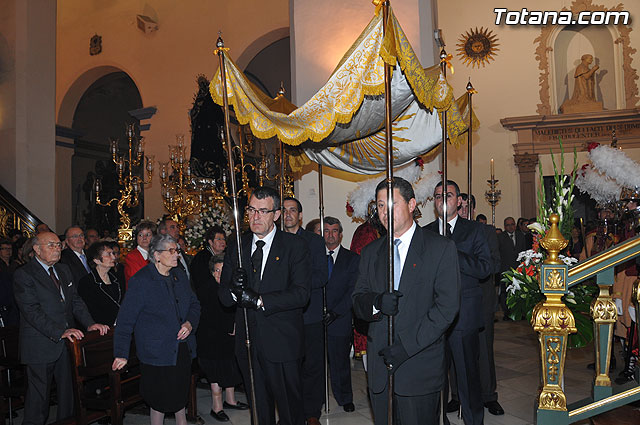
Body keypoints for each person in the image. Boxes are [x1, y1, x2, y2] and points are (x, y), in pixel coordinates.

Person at [353, 177, 461, 425]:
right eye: (379, 205)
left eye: (391, 203)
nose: (384, 212)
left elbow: (447, 308)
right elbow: (358, 301)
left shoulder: (440, 248)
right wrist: (377, 302)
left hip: (419, 366)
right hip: (380, 370)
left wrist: (406, 347)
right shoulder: (371, 252)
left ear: (412, 204)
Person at [219, 186, 311, 425]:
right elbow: (223, 298)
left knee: (290, 410)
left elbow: (301, 294)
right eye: (251, 210)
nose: (255, 217)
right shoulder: (237, 246)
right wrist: (232, 288)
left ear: (276, 215)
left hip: (282, 342)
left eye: (263, 211)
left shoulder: (294, 246)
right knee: (259, 410)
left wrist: (260, 301)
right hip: (248, 344)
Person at [13, 231, 109, 425]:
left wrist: (90, 323)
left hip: (67, 344)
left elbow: (75, 301)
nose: (57, 249)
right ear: (37, 249)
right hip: (40, 344)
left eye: (58, 245)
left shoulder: (63, 270)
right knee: (38, 402)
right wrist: (60, 331)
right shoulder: (24, 274)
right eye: (51, 245)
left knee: (68, 397)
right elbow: (31, 311)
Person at [113, 234, 201, 425]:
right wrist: (121, 353)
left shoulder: (179, 276)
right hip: (156, 353)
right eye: (171, 251)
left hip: (181, 349)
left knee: (179, 396)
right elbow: (126, 320)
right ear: (157, 255)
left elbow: (195, 304)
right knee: (158, 400)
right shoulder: (142, 281)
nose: (176, 254)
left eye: (177, 250)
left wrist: (189, 323)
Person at [425, 180, 492, 425]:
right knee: (435, 375)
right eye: (438, 196)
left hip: (465, 314)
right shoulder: (426, 232)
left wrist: (452, 250)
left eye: (449, 195)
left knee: (467, 375)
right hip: (433, 316)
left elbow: (485, 268)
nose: (443, 200)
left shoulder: (475, 231)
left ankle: (474, 420)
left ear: (459, 201)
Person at [453, 194, 504, 416]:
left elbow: (493, 265)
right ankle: (457, 395)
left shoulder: (484, 232)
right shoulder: (449, 232)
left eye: (466, 207)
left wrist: (466, 260)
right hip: (456, 299)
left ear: (472, 209)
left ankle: (488, 395)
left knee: (483, 351)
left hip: (481, 299)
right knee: (455, 351)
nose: (462, 211)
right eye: (460, 206)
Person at [282, 196, 328, 425]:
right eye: (284, 210)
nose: (288, 214)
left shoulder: (314, 241)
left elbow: (322, 276)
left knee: (312, 367)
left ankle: (311, 413)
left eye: (293, 210)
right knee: (287, 368)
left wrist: (294, 284)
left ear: (300, 215)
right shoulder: (274, 241)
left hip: (309, 314)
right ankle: (291, 413)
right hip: (282, 317)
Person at [195, 254, 248, 422]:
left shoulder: (233, 287)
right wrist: (228, 327)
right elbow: (208, 316)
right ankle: (216, 407)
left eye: (223, 271)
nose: (219, 274)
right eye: (216, 271)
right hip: (210, 339)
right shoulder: (206, 288)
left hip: (228, 337)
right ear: (212, 272)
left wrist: (234, 327)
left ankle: (230, 400)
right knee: (216, 371)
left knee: (231, 367)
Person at [323, 216, 358, 413]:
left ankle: (345, 398)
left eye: (334, 230)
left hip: (340, 319)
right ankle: (315, 400)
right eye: (326, 231)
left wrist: (335, 313)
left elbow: (352, 291)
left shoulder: (352, 259)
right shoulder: (314, 257)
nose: (330, 234)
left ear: (341, 234)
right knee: (315, 365)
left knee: (340, 363)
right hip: (315, 319)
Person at [78, 241, 125, 326]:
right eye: (108, 254)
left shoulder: (117, 278)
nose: (113, 257)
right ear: (96, 260)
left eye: (113, 254)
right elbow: (89, 311)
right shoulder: (87, 282)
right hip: (101, 329)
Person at [497, 217, 527, 319]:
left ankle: (519, 313)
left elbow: (524, 252)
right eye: (508, 225)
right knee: (505, 292)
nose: (511, 226)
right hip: (505, 269)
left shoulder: (520, 236)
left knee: (519, 291)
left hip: (518, 269)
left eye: (512, 224)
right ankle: (507, 313)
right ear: (505, 227)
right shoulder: (500, 237)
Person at [191, 225, 227, 293]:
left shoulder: (228, 254)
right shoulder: (201, 258)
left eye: (224, 239)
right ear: (210, 242)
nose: (222, 242)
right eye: (219, 239)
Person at [124, 220, 156, 284]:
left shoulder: (158, 254)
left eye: (148, 235)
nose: (144, 238)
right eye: (140, 235)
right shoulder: (132, 257)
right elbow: (140, 279)